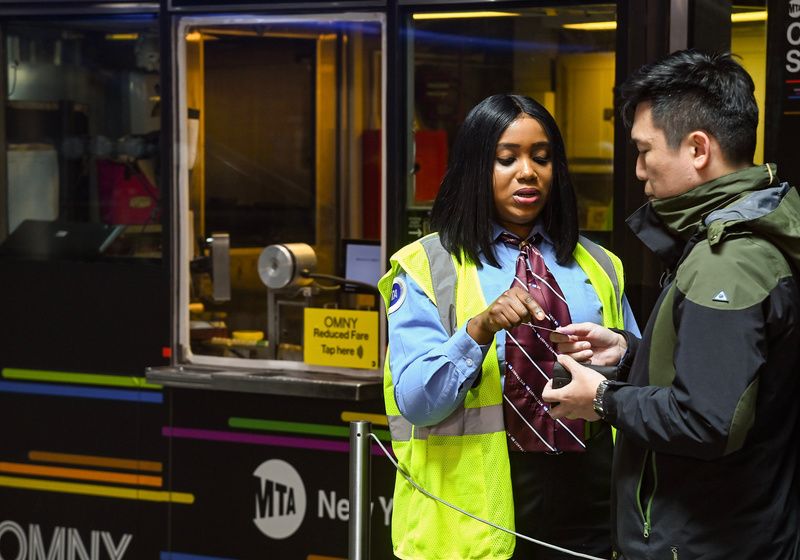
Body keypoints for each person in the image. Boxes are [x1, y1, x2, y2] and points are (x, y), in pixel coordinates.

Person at [542, 50, 800, 559]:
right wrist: (629, 356)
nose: (638, 170)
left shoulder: (728, 258)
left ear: (698, 148)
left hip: (709, 543)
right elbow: (735, 374)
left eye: (644, 150)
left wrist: (601, 399)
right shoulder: (755, 225)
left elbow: (708, 421)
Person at [377, 93, 640, 560]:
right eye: (506, 159)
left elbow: (644, 379)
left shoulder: (600, 265)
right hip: (474, 514)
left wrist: (619, 353)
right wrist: (476, 331)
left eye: (541, 158)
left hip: (593, 502)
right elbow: (416, 404)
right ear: (476, 167)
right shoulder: (427, 266)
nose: (527, 172)